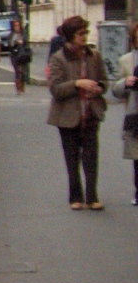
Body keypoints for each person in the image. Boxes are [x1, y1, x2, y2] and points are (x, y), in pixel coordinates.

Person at [47, 16, 108, 210]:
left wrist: (99, 88)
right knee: (72, 158)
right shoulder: (59, 58)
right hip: (67, 116)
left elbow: (104, 81)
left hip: (91, 112)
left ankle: (92, 197)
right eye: (81, 33)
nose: (85, 37)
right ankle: (75, 197)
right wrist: (77, 83)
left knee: (91, 157)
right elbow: (55, 89)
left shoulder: (94, 56)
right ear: (71, 36)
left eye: (86, 33)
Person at [117, 25, 138, 205]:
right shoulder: (126, 60)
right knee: (137, 157)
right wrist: (125, 82)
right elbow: (116, 91)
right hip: (135, 113)